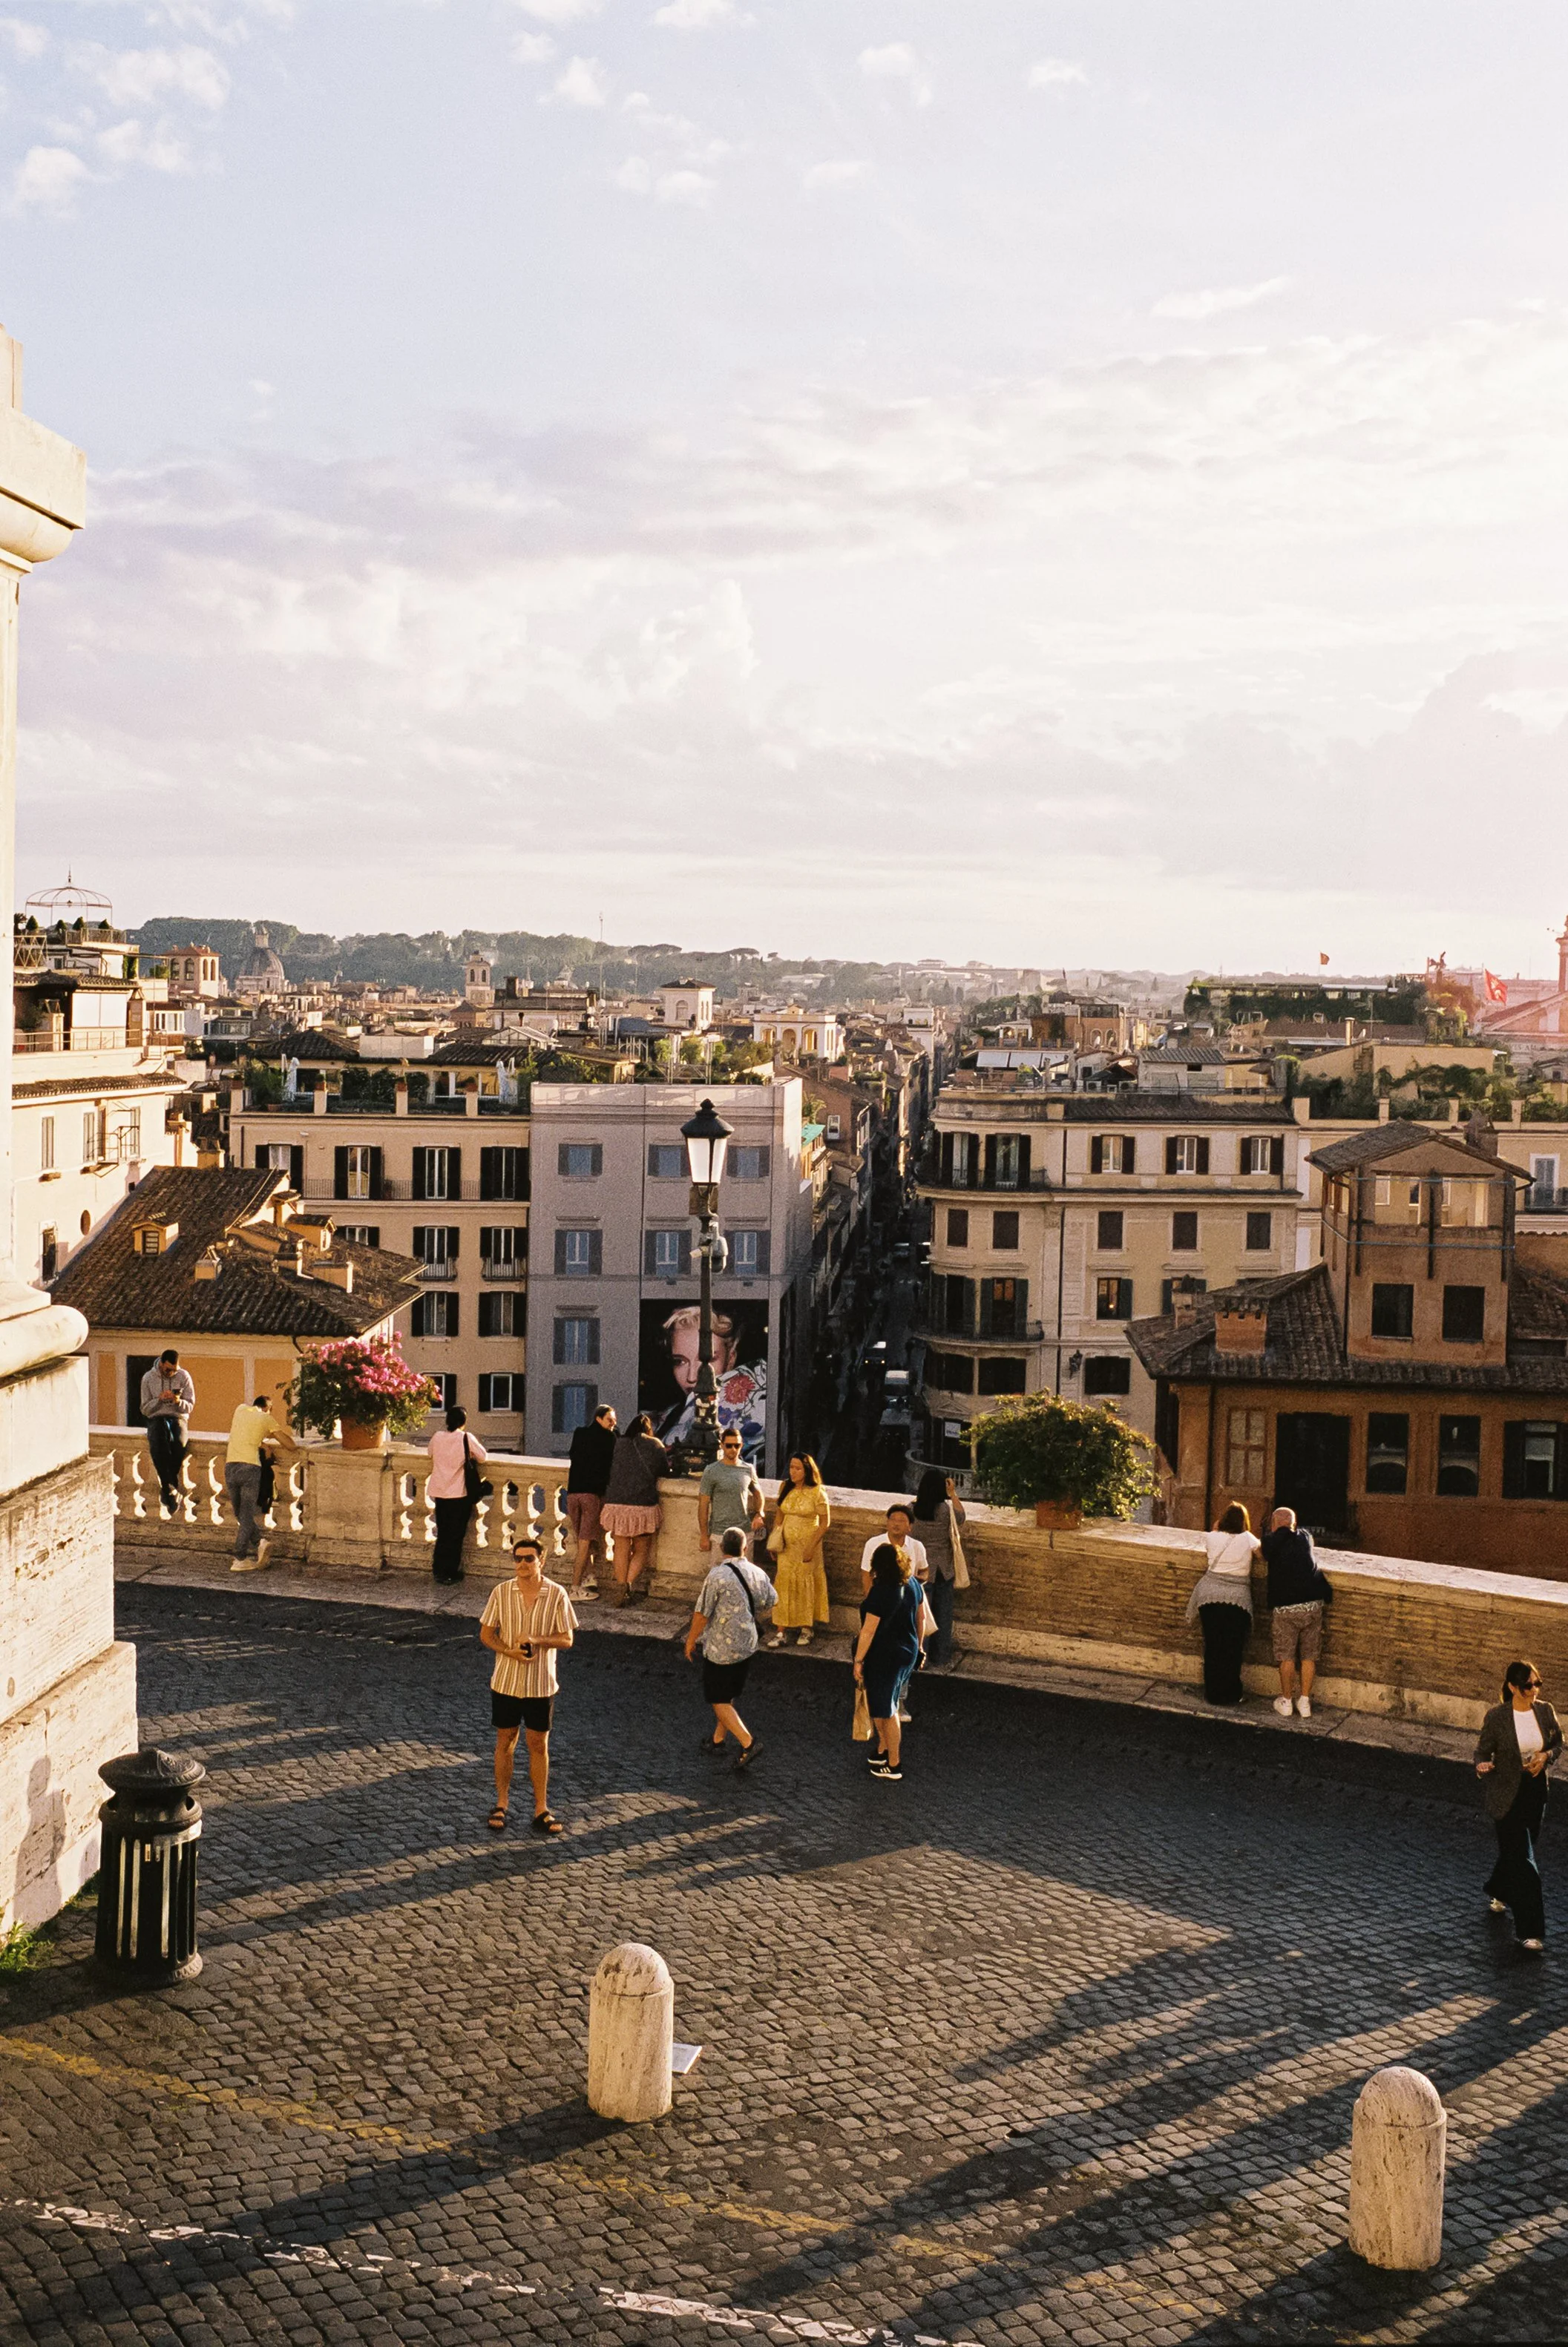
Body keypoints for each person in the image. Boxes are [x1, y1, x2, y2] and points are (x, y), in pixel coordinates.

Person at [479, 1534, 577, 1834]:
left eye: (528, 1558)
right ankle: (502, 1803)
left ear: (541, 1561)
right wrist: (508, 1651)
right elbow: (486, 1634)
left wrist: (536, 1640)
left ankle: (541, 1807)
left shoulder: (557, 1594)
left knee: (539, 1745)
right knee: (505, 1743)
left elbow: (567, 1639)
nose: (522, 1564)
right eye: (518, 1558)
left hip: (540, 1685)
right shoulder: (501, 1592)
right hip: (506, 1682)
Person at [1475, 1660, 1564, 1952]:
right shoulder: (1498, 1716)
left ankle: (1498, 1890)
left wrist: (1546, 1756)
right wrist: (1483, 1765)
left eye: (1538, 1684)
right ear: (1513, 1687)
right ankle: (1531, 1931)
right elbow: (1482, 1751)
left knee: (1519, 1850)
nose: (1534, 1690)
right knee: (1526, 1864)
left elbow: (1558, 1742)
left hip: (1534, 1791)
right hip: (1506, 1793)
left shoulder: (1544, 1710)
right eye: (1528, 1686)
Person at [685, 1525, 777, 1770]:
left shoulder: (717, 1576)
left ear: (722, 1547)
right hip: (747, 1644)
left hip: (720, 1647)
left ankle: (748, 1743)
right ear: (745, 1547)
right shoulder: (757, 1573)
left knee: (717, 1698)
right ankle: (718, 1740)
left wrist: (690, 1640)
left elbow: (702, 1613)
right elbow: (771, 1601)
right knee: (728, 1694)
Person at [853, 1542, 934, 1782]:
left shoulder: (881, 1591)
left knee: (888, 1709)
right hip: (906, 1651)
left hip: (883, 1654)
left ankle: (894, 1763)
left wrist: (858, 1660)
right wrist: (919, 1648)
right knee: (884, 1702)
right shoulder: (914, 1586)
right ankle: (882, 1750)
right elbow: (921, 1619)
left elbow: (868, 1631)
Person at [652, 1304, 767, 1462]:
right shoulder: (665, 1417)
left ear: (731, 1358)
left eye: (707, 1360)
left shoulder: (754, 1403)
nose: (692, 1377)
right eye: (680, 1362)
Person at [1261, 1506, 1334, 1719]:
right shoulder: (1305, 1538)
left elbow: (1263, 1553)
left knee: (1286, 1656)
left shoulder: (1270, 1542)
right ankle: (1305, 1702)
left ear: (1274, 1524)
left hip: (1286, 1607)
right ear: (1294, 1524)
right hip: (1312, 1604)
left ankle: (1286, 1701)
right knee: (1309, 1656)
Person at [1184, 1503, 1260, 1705]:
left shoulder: (1212, 1536)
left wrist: (1218, 1527)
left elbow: (1215, 1532)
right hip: (1237, 1598)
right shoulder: (1248, 1538)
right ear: (1244, 1521)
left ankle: (1212, 1693)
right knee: (1232, 1648)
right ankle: (1232, 1694)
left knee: (1213, 1646)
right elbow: (1262, 1554)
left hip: (1209, 1595)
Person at [601, 1412, 669, 1604]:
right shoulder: (655, 1444)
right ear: (648, 1429)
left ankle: (620, 1585)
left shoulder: (618, 1444)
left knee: (620, 1548)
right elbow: (664, 1470)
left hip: (617, 1503)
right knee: (641, 1549)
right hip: (642, 1504)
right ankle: (628, 1585)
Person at [766, 1453, 832, 1648]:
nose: (793, 1472)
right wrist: (774, 1541)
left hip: (807, 1545)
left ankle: (806, 1628)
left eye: (797, 1468)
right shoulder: (785, 1486)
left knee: (806, 1583)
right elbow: (779, 1514)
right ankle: (780, 1631)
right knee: (783, 1583)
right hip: (787, 1547)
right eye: (791, 1467)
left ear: (807, 1471)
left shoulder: (818, 1492)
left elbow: (825, 1523)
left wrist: (811, 1546)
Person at [226, 1391, 292, 1575]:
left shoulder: (240, 1410)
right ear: (268, 1409)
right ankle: (239, 1558)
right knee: (246, 1514)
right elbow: (289, 1444)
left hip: (230, 1466)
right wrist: (294, 1446)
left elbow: (246, 1433)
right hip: (250, 1469)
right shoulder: (265, 1419)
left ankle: (260, 1543)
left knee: (240, 1513)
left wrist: (260, 1443)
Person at [911, 1468, 967, 1670]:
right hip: (944, 1569)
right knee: (943, 1614)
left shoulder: (912, 1510)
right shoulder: (945, 1511)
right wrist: (953, 1495)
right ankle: (941, 1656)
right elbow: (961, 1518)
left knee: (922, 1616)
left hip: (921, 1569)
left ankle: (921, 1656)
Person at [427, 1405, 488, 1585]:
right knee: (456, 1535)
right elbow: (483, 1457)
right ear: (464, 1422)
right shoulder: (466, 1438)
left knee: (443, 1532)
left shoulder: (437, 1437)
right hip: (459, 1493)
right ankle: (450, 1572)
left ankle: (438, 1570)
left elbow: (430, 1453)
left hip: (440, 1492)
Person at [565, 1402, 617, 1601]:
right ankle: (575, 1588)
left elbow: (573, 1456)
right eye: (610, 1420)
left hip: (573, 1493)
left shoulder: (579, 1433)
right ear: (599, 1418)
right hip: (592, 1495)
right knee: (586, 1543)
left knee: (582, 1540)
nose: (613, 1423)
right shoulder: (610, 1438)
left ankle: (590, 1577)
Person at [698, 1427, 766, 1573]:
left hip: (744, 1532)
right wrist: (704, 1535)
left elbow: (758, 1493)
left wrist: (759, 1513)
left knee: (745, 1575)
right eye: (729, 1445)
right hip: (719, 1533)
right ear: (722, 1445)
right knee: (718, 1576)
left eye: (737, 1445)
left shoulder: (748, 1469)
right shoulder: (711, 1471)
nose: (733, 1449)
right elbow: (703, 1505)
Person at [141, 1349, 194, 1514]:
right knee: (159, 1446)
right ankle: (170, 1489)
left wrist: (178, 1402)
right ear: (161, 1364)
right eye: (168, 1370)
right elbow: (144, 1409)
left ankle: (168, 1490)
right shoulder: (148, 1378)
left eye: (174, 1370)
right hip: (156, 1418)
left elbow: (190, 1405)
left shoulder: (184, 1376)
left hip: (178, 1417)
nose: (171, 1373)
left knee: (179, 1444)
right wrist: (159, 1400)